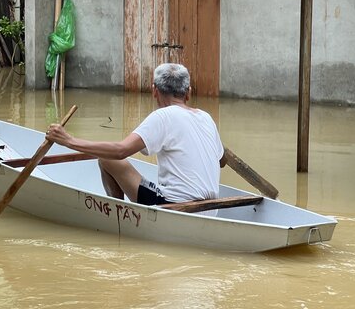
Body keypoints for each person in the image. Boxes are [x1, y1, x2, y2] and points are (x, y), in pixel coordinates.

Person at [45, 63, 226, 205]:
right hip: (211, 209)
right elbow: (221, 160)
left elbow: (120, 151)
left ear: (154, 91)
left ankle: (120, 215)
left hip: (173, 205)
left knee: (107, 159)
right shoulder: (206, 117)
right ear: (188, 93)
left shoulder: (163, 116)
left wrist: (69, 140)